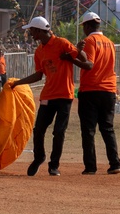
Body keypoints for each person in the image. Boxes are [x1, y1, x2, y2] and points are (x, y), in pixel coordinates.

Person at [18, 15, 92, 176]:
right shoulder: (39, 51)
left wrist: (78, 50)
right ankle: (39, 158)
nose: (30, 33)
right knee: (39, 130)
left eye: (32, 30)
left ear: (39, 30)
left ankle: (54, 165)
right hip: (47, 96)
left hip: (64, 95)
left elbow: (84, 59)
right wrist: (17, 83)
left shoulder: (61, 43)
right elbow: (38, 75)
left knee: (59, 131)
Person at [76, 12, 120, 175]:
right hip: (109, 90)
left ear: (87, 26)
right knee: (107, 128)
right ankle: (115, 163)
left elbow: (88, 64)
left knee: (88, 130)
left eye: (84, 27)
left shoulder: (90, 41)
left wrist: (74, 57)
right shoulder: (110, 43)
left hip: (91, 89)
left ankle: (91, 166)